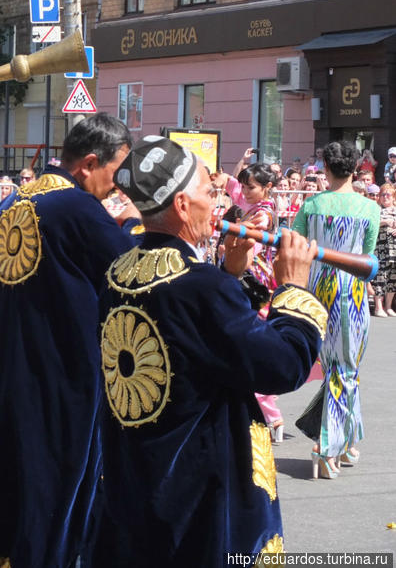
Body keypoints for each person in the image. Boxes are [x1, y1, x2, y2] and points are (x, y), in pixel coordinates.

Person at [94, 136, 325, 565]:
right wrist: (292, 288)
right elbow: (282, 365)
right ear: (182, 205)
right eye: (208, 192)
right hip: (198, 495)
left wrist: (230, 276)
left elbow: (197, 342)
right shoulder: (200, 287)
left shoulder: (118, 272)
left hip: (137, 479)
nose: (216, 202)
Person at [0, 114, 136, 567]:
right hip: (61, 375)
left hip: (9, 369)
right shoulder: (78, 208)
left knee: (12, 487)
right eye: (115, 172)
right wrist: (134, 225)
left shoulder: (12, 202)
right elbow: (132, 271)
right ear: (89, 163)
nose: (116, 187)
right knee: (55, 493)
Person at [292, 141, 380, 479]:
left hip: (318, 291)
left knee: (336, 368)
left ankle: (344, 442)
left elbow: (297, 244)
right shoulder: (369, 208)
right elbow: (368, 257)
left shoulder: (312, 206)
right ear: (356, 168)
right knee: (346, 369)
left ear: (325, 168)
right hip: (352, 294)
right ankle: (327, 447)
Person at [372, 184, 396, 317]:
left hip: (394, 249)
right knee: (380, 277)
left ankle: (388, 306)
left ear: (393, 197)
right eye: (383, 194)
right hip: (381, 248)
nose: (385, 197)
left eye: (388, 194)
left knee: (393, 278)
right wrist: (385, 221)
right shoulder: (376, 210)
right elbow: (372, 223)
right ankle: (378, 307)